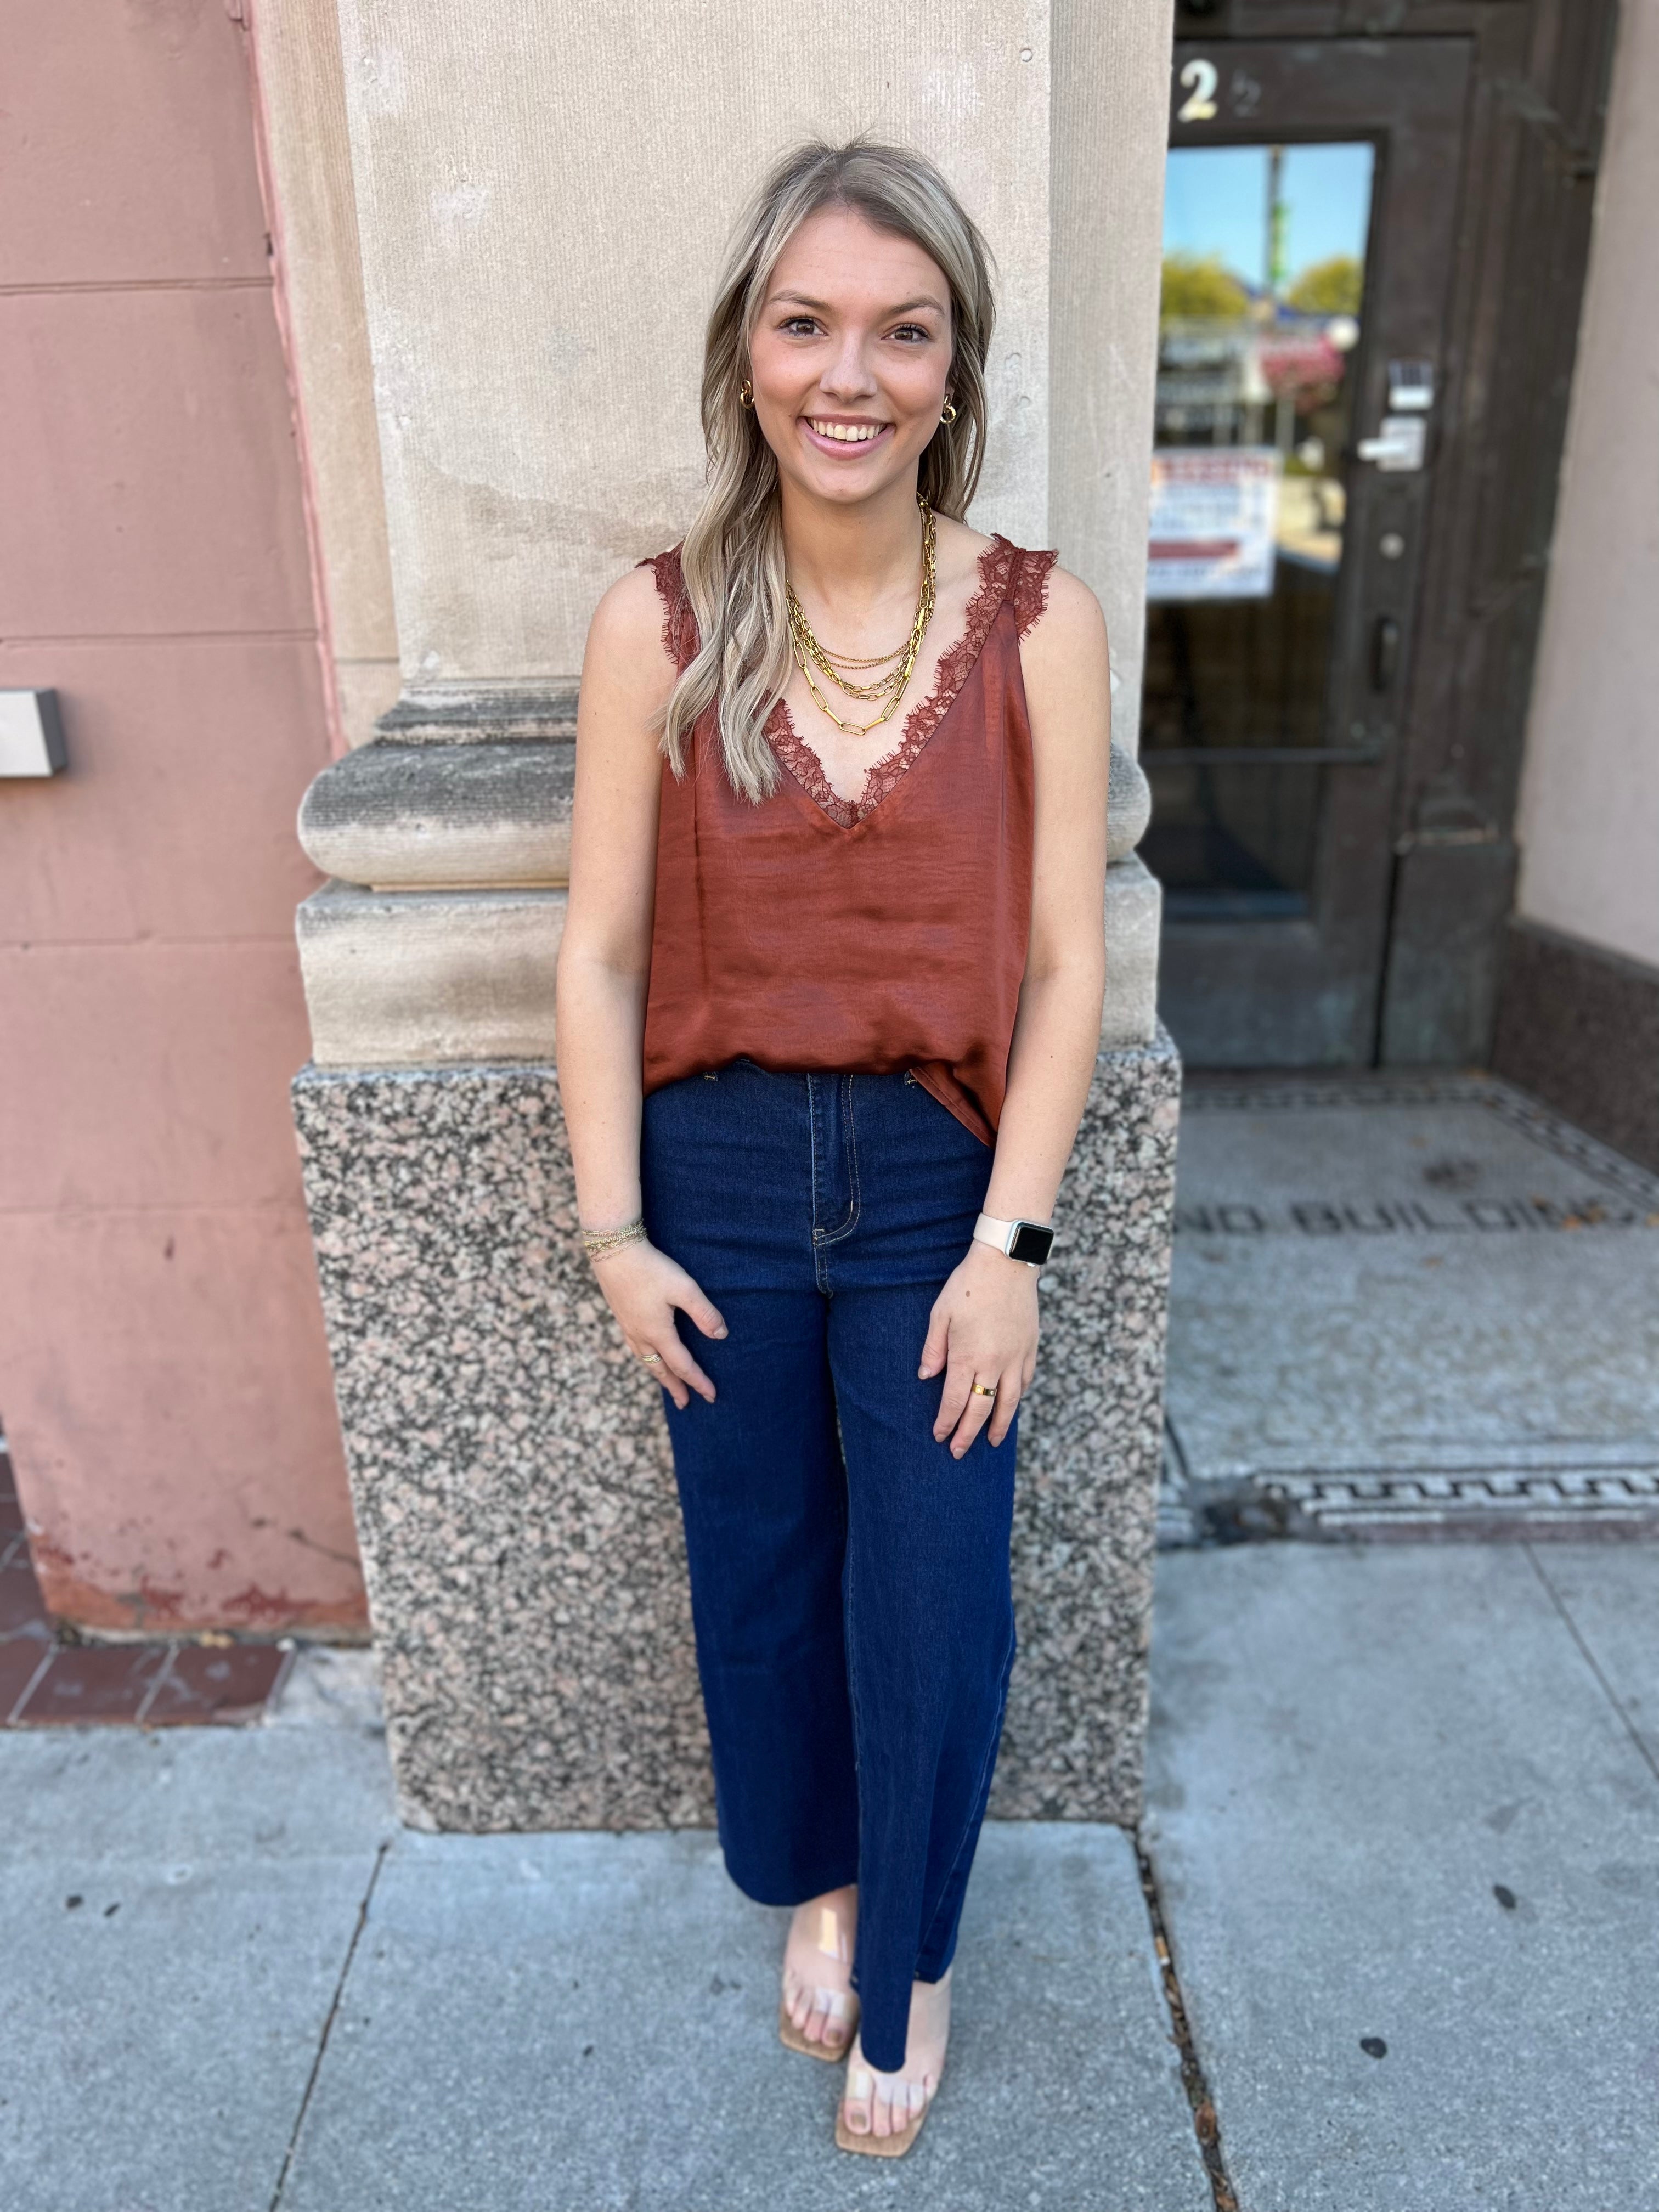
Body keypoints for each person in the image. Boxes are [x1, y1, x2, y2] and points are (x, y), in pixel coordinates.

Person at [555, 134, 1110, 2157]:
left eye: (904, 328)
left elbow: (1065, 972)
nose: (849, 372)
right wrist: (613, 1230)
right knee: (767, 1568)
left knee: (939, 1588)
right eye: (807, 325)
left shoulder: (1042, 624)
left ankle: (919, 1942)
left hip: (935, 1190)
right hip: (709, 1172)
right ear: (749, 354)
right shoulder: (661, 623)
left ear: (955, 372)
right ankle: (829, 1881)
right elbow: (603, 950)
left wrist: (1013, 1251)